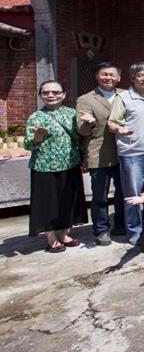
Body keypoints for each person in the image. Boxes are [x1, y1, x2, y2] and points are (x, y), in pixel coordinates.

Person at [24, 80, 86, 252]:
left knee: (67, 202)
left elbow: (81, 138)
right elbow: (29, 145)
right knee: (47, 204)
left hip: (70, 164)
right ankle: (51, 237)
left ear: (64, 94)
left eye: (55, 92)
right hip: (45, 167)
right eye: (46, 92)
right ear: (41, 95)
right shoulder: (36, 117)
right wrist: (37, 137)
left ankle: (63, 233)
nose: (51, 95)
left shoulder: (72, 114)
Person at [108, 61, 144, 246]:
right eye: (140, 75)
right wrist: (119, 130)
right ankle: (134, 233)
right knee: (133, 195)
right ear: (133, 78)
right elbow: (112, 122)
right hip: (132, 155)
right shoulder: (123, 98)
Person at [76, 62, 125, 245]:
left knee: (122, 193)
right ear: (97, 76)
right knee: (100, 196)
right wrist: (88, 122)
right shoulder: (86, 99)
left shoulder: (126, 95)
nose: (108, 78)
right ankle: (101, 230)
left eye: (112, 75)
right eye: (104, 74)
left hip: (124, 152)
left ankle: (121, 224)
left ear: (119, 77)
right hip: (99, 153)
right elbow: (82, 131)